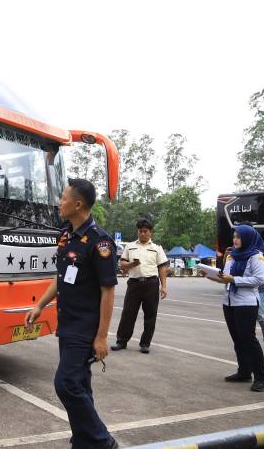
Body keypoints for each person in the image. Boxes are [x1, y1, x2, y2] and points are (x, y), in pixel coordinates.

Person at [25, 178, 119, 449]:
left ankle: (102, 441)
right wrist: (40, 305)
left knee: (65, 383)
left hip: (84, 327)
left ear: (78, 204)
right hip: (66, 323)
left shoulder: (100, 243)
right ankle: (84, 441)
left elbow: (108, 292)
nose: (59, 202)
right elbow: (61, 276)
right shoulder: (66, 235)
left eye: (64, 198)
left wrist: (101, 337)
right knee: (80, 384)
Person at [213, 224, 264, 392]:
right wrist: (212, 276)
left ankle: (262, 378)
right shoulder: (231, 256)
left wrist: (234, 280)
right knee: (237, 339)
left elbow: (259, 279)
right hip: (229, 301)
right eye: (234, 237)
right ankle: (244, 371)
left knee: (248, 340)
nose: (235, 240)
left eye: (239, 237)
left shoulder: (256, 256)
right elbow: (226, 278)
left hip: (246, 303)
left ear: (247, 238)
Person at [111, 219, 169, 354]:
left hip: (151, 284)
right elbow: (122, 265)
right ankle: (121, 341)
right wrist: (132, 264)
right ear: (137, 231)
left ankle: (145, 343)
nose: (142, 234)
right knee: (128, 313)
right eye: (140, 231)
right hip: (134, 284)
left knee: (150, 315)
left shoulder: (157, 248)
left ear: (150, 233)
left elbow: (162, 268)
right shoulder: (130, 246)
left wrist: (164, 286)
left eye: (145, 231)